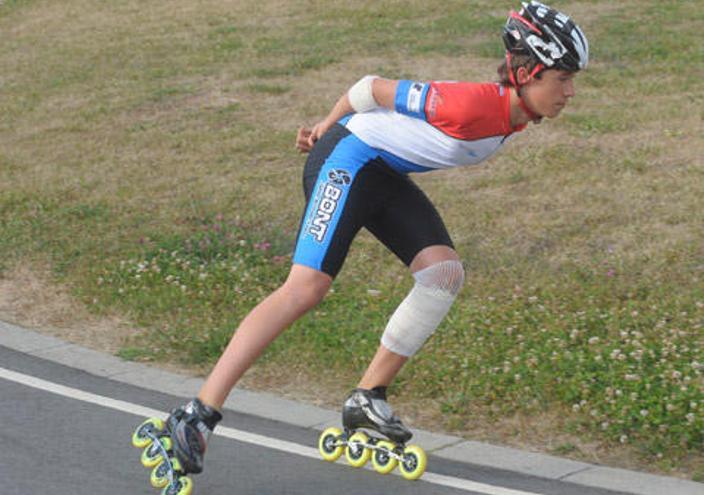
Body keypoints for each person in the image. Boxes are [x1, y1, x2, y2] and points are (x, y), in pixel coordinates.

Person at [157, 0, 588, 478]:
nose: (570, 91)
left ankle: (367, 396)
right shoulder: (468, 103)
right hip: (346, 159)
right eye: (563, 78)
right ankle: (196, 414)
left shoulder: (521, 113)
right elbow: (368, 89)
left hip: (382, 172)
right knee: (305, 289)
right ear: (527, 72)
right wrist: (325, 126)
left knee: (442, 274)